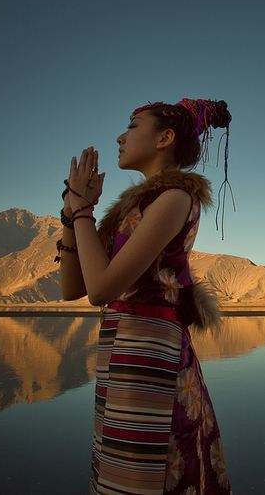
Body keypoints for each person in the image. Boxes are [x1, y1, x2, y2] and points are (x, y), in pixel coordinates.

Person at [56, 98, 235, 494]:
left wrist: (84, 212)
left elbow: (102, 290)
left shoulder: (174, 198)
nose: (121, 136)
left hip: (151, 354)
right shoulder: (130, 210)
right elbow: (74, 288)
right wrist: (72, 211)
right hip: (122, 353)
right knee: (119, 466)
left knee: (144, 473)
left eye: (133, 126)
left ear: (165, 138)